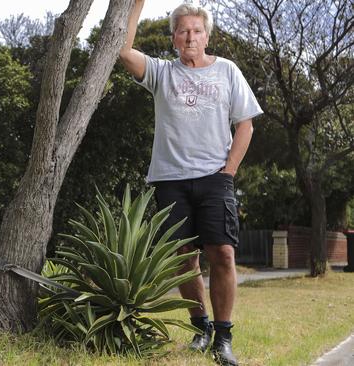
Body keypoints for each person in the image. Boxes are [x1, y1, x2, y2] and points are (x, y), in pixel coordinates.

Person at [119, 1, 262, 365]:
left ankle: (223, 337)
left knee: (223, 255)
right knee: (183, 259)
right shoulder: (161, 73)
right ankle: (201, 328)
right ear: (173, 39)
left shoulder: (227, 71)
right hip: (170, 179)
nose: (190, 36)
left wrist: (229, 171)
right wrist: (136, 4)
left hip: (216, 178)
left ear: (207, 35)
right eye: (183, 31)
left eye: (197, 30)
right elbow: (122, 50)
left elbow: (245, 124)